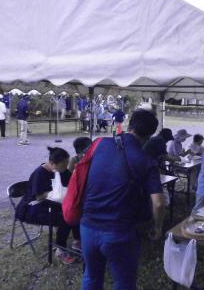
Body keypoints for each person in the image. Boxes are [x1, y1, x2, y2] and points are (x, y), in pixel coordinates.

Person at [80, 109, 166, 290]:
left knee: (91, 277)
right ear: (150, 135)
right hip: (118, 232)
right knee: (124, 282)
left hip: (87, 226)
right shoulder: (147, 161)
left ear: (129, 125)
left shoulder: (99, 143)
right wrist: (157, 227)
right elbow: (158, 202)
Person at [15, 147, 81, 265]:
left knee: (75, 209)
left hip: (52, 202)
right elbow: (39, 196)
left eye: (67, 164)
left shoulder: (62, 170)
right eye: (64, 165)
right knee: (64, 218)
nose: (66, 167)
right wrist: (55, 193)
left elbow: (72, 182)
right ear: (52, 163)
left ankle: (77, 241)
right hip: (32, 207)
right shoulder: (39, 173)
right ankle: (60, 250)